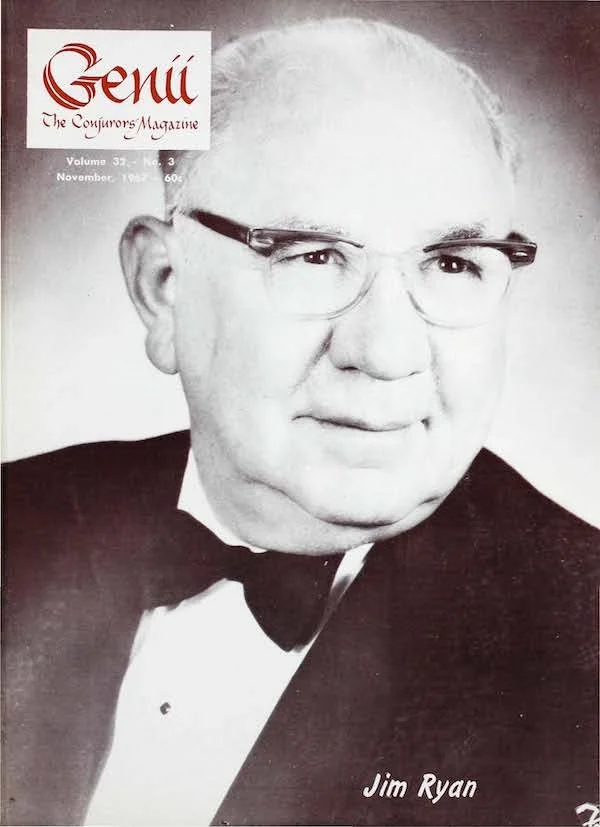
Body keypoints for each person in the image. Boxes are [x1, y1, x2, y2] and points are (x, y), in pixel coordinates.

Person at [3, 17, 598, 827]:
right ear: (164, 286)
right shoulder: (20, 519)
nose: (386, 353)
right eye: (313, 255)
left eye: (452, 264)